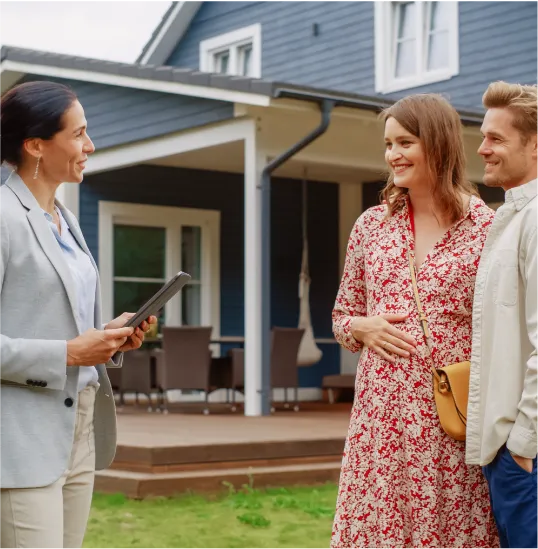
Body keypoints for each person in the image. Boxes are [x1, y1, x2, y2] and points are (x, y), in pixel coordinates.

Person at [330, 94, 499, 548]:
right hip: (380, 419)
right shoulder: (371, 226)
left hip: (451, 419)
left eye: (405, 142)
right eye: (388, 144)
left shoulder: (486, 228)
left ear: (438, 144)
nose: (393, 155)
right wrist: (361, 328)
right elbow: (341, 316)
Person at [0, 80, 156, 549]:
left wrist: (106, 336)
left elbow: (53, 317)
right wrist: (68, 353)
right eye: (78, 134)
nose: (89, 146)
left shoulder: (64, 220)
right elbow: (61, 347)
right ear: (35, 146)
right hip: (21, 439)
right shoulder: (3, 218)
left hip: (79, 427)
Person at [466, 81, 538, 549]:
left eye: (495, 138)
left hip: (527, 455)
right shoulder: (509, 217)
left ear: (535, 145)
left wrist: (524, 443)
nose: (482, 148)